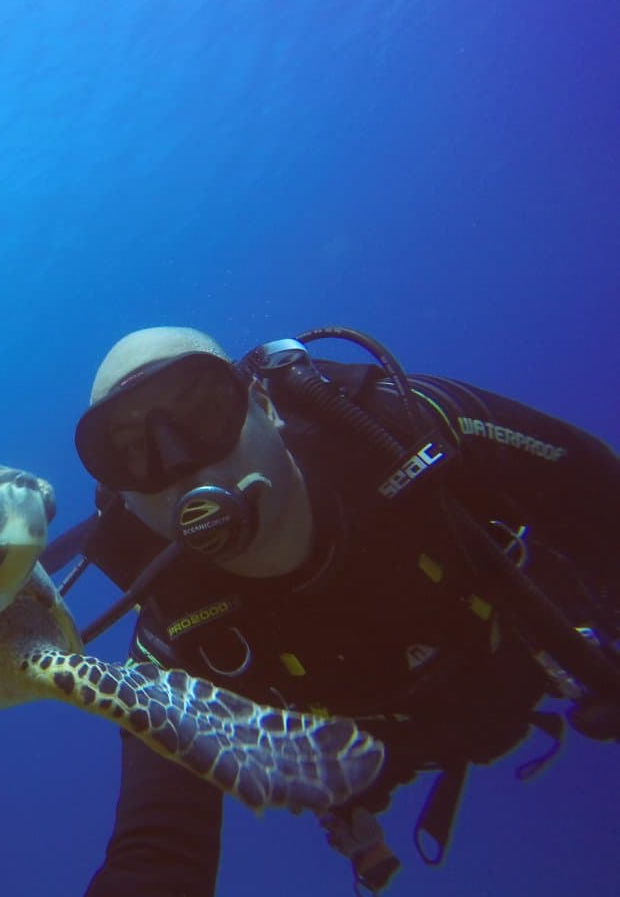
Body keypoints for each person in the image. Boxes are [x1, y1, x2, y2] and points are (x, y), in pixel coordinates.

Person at [63, 325, 619, 895]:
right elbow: (157, 852)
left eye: (202, 413)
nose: (179, 463)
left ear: (264, 404)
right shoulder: (173, 638)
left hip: (537, 653)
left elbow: (600, 488)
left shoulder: (404, 431)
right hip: (386, 757)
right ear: (124, 496)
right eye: (133, 450)